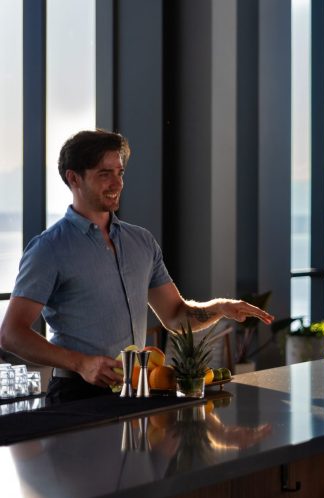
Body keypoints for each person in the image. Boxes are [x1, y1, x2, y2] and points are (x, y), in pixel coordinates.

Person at [0, 130, 273, 403]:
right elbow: (12, 334)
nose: (116, 183)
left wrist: (219, 307)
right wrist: (81, 363)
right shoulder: (49, 248)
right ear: (74, 178)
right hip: (76, 396)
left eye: (120, 173)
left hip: (138, 392)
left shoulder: (141, 241)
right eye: (104, 173)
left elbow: (176, 316)